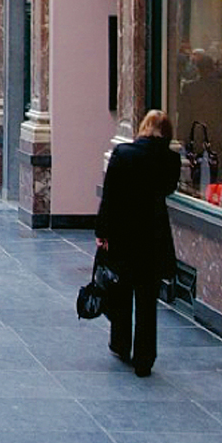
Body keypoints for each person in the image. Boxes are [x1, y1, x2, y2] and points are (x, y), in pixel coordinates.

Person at [96, 109, 181, 378]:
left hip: (123, 232)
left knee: (121, 290)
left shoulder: (124, 154)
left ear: (143, 127)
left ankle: (120, 343)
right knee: (147, 300)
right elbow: (168, 189)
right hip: (153, 234)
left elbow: (109, 196)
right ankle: (144, 358)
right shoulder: (170, 159)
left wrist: (103, 232)